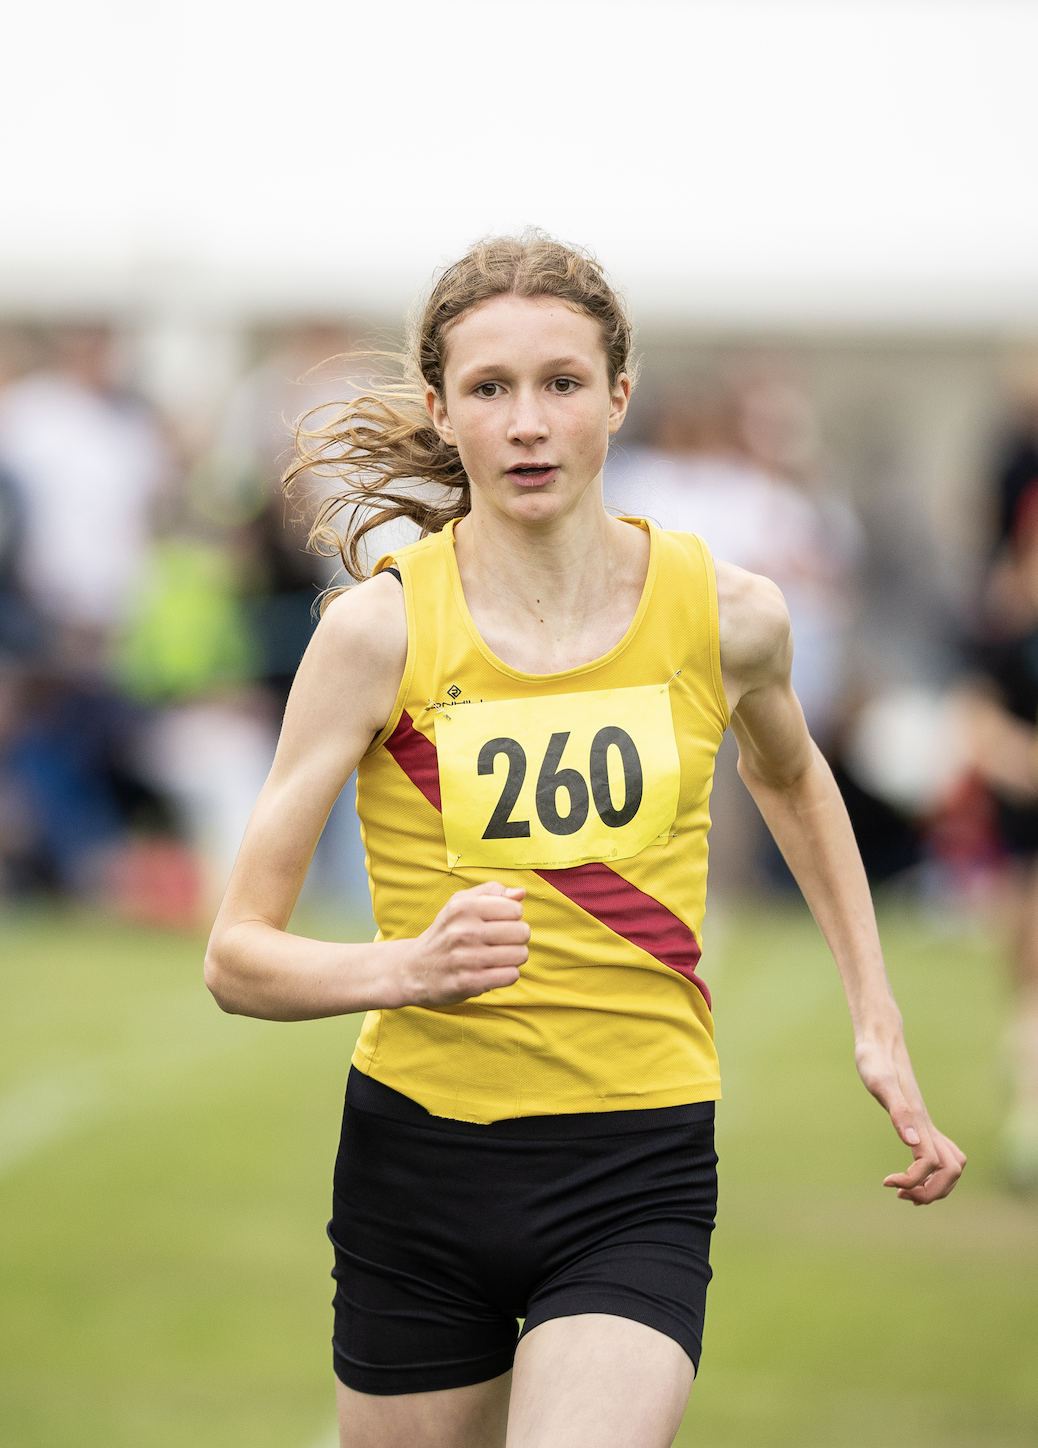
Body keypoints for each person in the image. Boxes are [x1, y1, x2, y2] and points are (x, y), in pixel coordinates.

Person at [203, 235, 965, 1448]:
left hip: (636, 1156)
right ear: (445, 412)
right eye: (489, 388)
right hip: (419, 1162)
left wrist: (877, 1016)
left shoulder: (728, 614)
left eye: (561, 383)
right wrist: (401, 967)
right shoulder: (377, 635)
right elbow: (235, 955)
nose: (527, 424)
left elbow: (794, 776)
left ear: (619, 394)